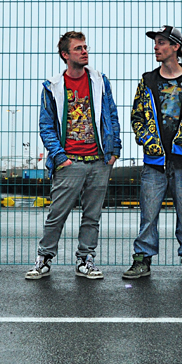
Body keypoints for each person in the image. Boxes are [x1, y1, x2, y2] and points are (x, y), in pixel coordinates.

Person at [27, 31, 121, 280]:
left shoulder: (100, 81)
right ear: (65, 55)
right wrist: (60, 158)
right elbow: (46, 126)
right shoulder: (53, 86)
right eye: (78, 48)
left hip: (99, 160)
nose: (84, 51)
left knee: (92, 216)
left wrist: (114, 151)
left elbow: (111, 115)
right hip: (70, 161)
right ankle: (44, 259)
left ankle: (85, 260)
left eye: (85, 47)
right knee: (56, 215)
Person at [125, 25, 182, 280]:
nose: (156, 47)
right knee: (148, 215)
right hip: (154, 161)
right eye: (155, 43)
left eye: (162, 42)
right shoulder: (147, 81)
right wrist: (146, 140)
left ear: (176, 47)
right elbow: (137, 116)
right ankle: (142, 260)